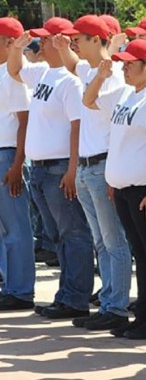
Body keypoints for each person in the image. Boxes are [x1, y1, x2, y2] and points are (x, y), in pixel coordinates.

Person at [82, 39, 146, 340]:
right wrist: (101, 75)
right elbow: (89, 99)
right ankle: (143, 312)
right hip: (122, 188)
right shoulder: (125, 96)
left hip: (142, 189)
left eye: (130, 64)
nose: (124, 68)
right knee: (141, 254)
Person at [7, 18, 95, 320]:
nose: (41, 44)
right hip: (42, 170)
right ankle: (66, 295)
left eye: (47, 39)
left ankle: (76, 298)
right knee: (58, 236)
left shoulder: (71, 80)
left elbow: (76, 127)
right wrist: (17, 48)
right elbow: (15, 69)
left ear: (62, 41)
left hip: (59, 168)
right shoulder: (45, 72)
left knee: (73, 234)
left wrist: (72, 169)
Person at [56, 15, 132, 331]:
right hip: (88, 166)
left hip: (102, 165)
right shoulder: (90, 70)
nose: (75, 42)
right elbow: (74, 63)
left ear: (96, 39)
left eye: (81, 37)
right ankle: (108, 301)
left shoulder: (112, 77)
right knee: (101, 241)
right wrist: (61, 46)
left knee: (114, 241)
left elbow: (115, 129)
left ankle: (116, 306)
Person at [0, 17, 34, 312]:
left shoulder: (13, 75)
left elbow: (24, 121)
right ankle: (9, 283)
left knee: (16, 227)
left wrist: (17, 163)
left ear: (10, 43)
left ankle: (20, 290)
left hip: (8, 154)